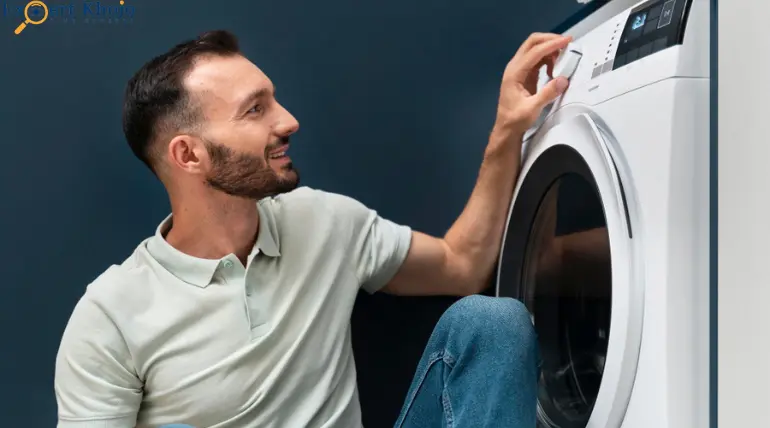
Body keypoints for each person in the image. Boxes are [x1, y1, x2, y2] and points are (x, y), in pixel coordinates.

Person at [54, 29, 572, 428]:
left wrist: (507, 130)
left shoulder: (323, 220)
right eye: (255, 110)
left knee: (493, 323)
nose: (288, 120)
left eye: (273, 99)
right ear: (188, 154)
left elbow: (462, 265)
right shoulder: (110, 318)